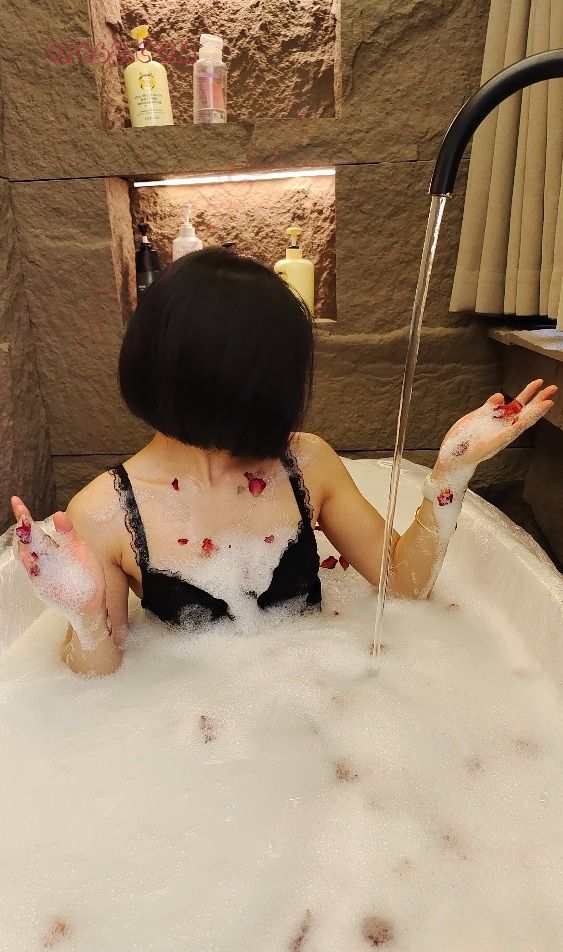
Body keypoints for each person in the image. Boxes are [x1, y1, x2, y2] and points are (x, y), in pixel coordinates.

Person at [10, 249, 557, 676]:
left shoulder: (306, 463)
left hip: (325, 700)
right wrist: (84, 618)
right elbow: (101, 678)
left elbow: (404, 586)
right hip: (198, 740)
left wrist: (452, 473)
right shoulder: (104, 512)